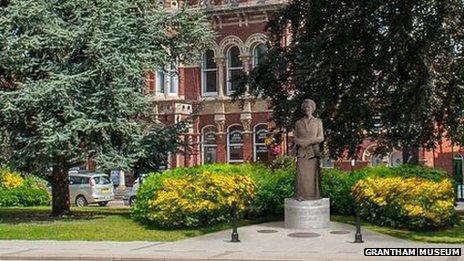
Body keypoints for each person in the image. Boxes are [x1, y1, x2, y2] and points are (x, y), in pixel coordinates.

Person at [291, 99, 324, 200]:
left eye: (308, 107)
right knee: (301, 175)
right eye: (305, 107)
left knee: (313, 175)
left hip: (313, 152)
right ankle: (300, 195)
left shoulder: (318, 122)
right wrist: (299, 142)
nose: (307, 109)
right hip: (302, 152)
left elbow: (321, 137)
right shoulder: (298, 123)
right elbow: (295, 137)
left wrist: (309, 141)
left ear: (312, 109)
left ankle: (314, 195)